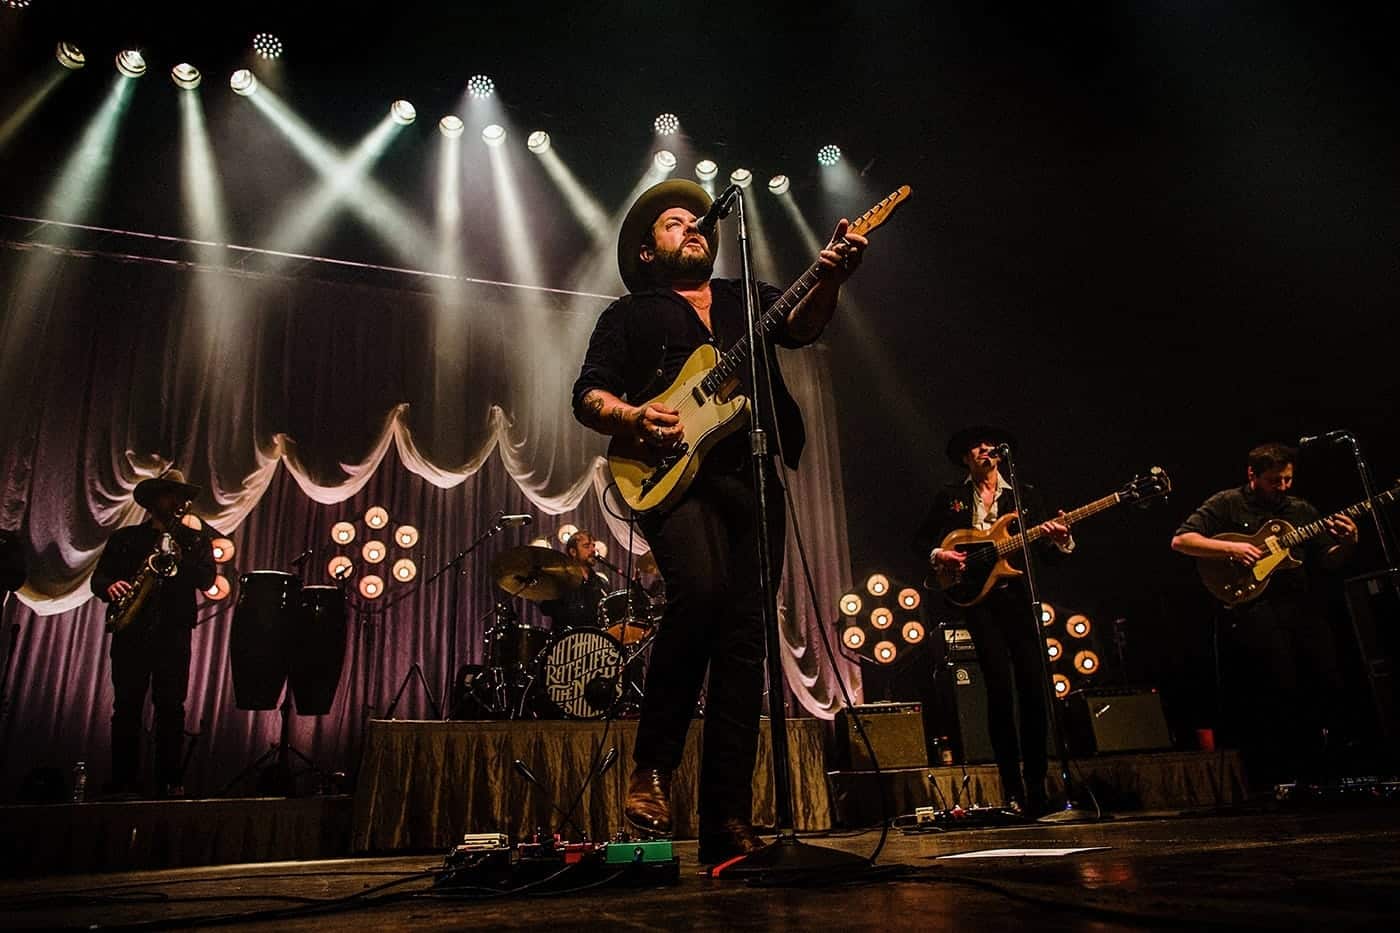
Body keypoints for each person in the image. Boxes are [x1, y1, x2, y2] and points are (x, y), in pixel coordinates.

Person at [571, 179, 866, 863]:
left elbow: (803, 328)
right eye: (674, 223)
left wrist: (830, 277)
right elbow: (587, 395)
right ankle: (652, 764)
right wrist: (633, 415)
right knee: (699, 593)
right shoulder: (630, 314)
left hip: (752, 473)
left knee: (744, 643)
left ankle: (726, 821)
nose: (692, 227)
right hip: (671, 476)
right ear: (649, 252)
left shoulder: (747, 298)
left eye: (695, 220)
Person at [1170, 442, 1358, 788]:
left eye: (1287, 479)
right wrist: (1232, 547)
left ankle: (1326, 769)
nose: (1282, 486)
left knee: (1327, 679)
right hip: (1255, 608)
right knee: (1278, 686)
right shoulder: (1227, 502)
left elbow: (1329, 560)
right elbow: (1182, 540)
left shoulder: (1301, 510)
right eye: (1274, 480)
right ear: (1251, 474)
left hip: (1301, 606)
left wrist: (1347, 543)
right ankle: (1281, 774)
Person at [913, 426, 1073, 816]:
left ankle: (1037, 785)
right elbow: (920, 541)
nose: (985, 449)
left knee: (1033, 689)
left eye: (990, 445)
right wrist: (939, 555)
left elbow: (1047, 556)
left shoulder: (1024, 495)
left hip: (1019, 597)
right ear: (965, 457)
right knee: (999, 690)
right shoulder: (951, 496)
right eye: (977, 446)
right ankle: (1012, 788)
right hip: (978, 600)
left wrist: (1060, 540)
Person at [92, 469, 214, 798]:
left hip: (173, 633)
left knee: (171, 708)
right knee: (126, 708)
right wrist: (110, 586)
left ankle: (168, 783)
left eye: (181, 496)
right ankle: (122, 783)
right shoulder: (126, 539)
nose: (177, 501)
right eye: (170, 494)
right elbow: (98, 579)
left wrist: (180, 559)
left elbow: (206, 580)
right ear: (153, 500)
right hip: (131, 630)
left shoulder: (195, 540)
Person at [539, 529, 611, 631]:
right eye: (586, 546)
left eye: (593, 546)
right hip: (566, 638)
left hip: (594, 638)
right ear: (573, 552)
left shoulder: (601, 583)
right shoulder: (561, 579)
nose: (593, 550)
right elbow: (545, 609)